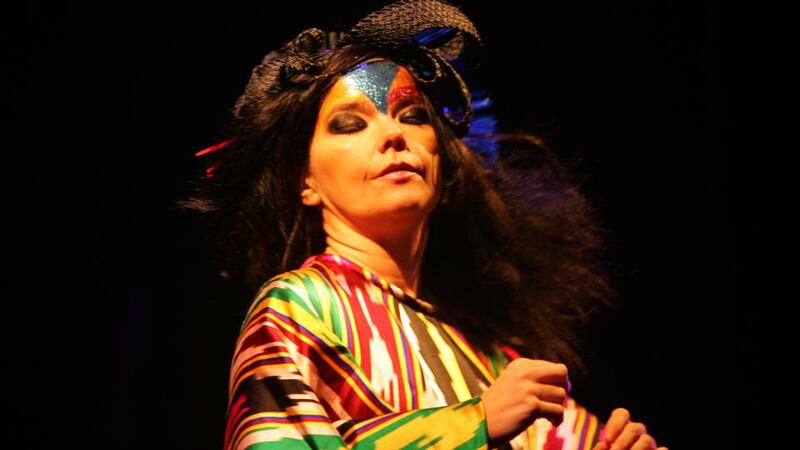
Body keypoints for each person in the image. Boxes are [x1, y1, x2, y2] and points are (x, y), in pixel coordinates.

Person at [183, 1, 667, 449]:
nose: (394, 133)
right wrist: (472, 423)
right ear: (303, 179)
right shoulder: (300, 307)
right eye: (351, 124)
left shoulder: (489, 354)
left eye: (412, 115)